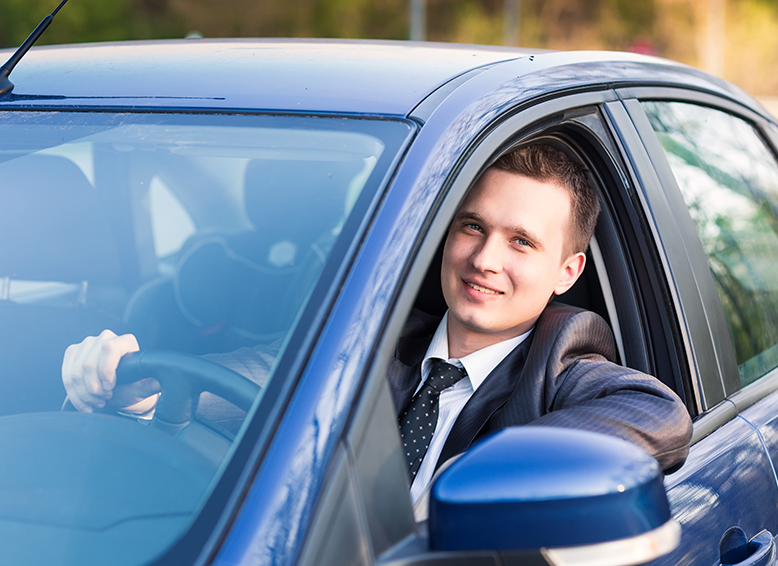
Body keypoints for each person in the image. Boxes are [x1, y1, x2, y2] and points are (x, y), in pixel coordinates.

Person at [62, 144, 692, 503]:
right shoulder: (371, 335)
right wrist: (132, 388)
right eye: (472, 226)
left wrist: (483, 472)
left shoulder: (562, 362)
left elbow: (659, 416)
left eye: (521, 241)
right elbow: (248, 383)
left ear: (567, 270)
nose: (484, 259)